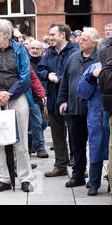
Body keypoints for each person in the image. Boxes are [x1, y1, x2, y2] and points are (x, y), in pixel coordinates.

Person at [0, 19, 34, 192]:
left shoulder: (20, 50)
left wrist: (9, 94)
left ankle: (25, 178)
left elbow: (25, 77)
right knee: (0, 141)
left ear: (5, 34)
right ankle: (4, 179)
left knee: (22, 141)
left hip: (17, 98)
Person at [57, 27, 100, 188]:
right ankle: (78, 176)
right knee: (77, 145)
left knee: (96, 145)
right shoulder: (73, 58)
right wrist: (62, 100)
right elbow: (65, 82)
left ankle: (95, 178)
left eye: (84, 40)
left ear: (94, 43)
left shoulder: (99, 60)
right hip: (74, 108)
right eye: (80, 39)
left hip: (93, 109)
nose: (80, 41)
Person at [38, 23, 79, 178]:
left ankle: (78, 166)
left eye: (53, 34)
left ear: (63, 35)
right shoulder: (50, 52)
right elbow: (41, 69)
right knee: (57, 135)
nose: (50, 37)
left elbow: (76, 74)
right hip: (54, 99)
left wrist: (59, 79)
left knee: (75, 134)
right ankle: (61, 166)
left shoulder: (74, 52)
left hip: (70, 99)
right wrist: (48, 75)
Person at [77, 41, 110, 196]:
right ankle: (94, 182)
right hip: (97, 116)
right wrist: (91, 76)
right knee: (96, 149)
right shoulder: (94, 67)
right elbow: (82, 92)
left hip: (108, 115)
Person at [28, 40, 49, 158]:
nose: (35, 51)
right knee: (37, 123)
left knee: (44, 123)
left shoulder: (44, 62)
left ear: (41, 50)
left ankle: (28, 138)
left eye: (37, 49)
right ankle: (41, 147)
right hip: (32, 98)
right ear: (29, 49)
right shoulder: (26, 62)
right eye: (33, 48)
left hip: (44, 98)